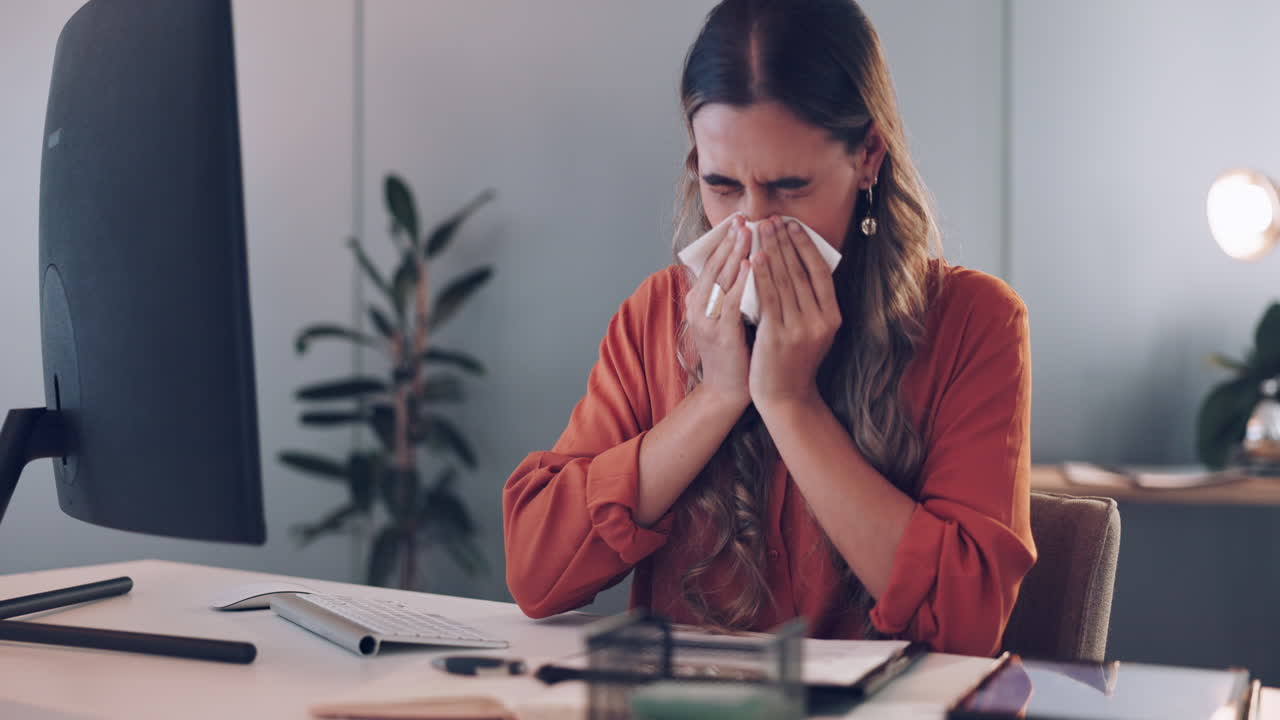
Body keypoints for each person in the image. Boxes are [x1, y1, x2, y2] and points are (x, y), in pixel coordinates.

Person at [502, 0, 1035, 657]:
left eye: (788, 187)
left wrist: (790, 403)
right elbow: (534, 573)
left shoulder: (972, 323)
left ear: (868, 156)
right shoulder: (656, 317)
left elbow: (968, 622)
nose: (752, 228)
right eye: (723, 187)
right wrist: (716, 399)